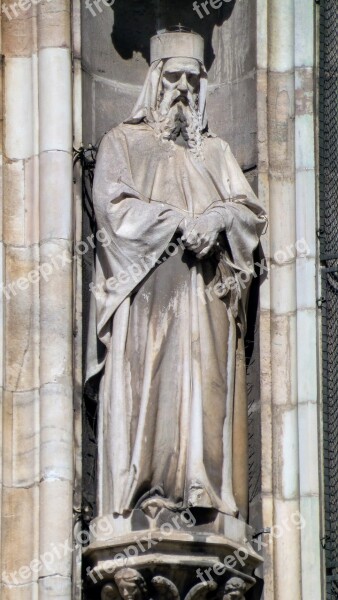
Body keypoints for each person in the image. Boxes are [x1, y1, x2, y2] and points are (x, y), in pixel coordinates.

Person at [87, 30, 267, 527]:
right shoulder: (122, 142)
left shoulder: (215, 153)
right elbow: (113, 209)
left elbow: (250, 212)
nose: (183, 89)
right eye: (174, 77)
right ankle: (144, 492)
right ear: (154, 80)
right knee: (151, 394)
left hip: (208, 297)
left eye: (194, 78)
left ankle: (205, 491)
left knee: (206, 389)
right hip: (149, 297)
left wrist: (219, 220)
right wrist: (178, 221)